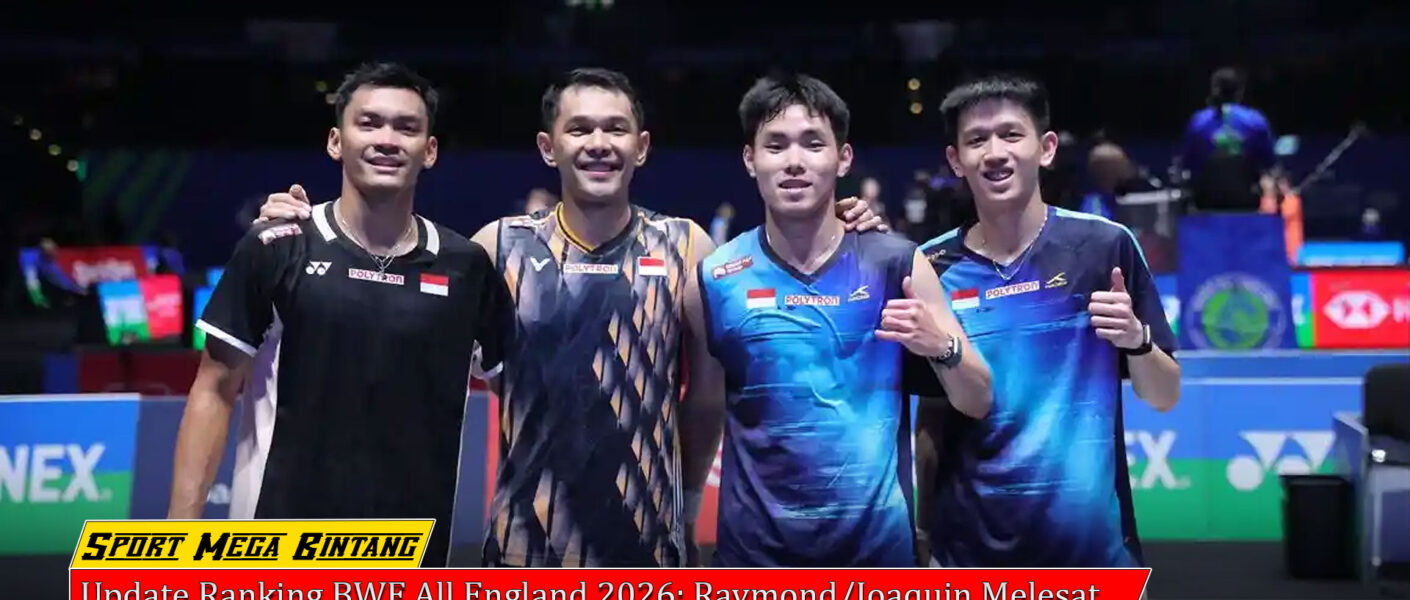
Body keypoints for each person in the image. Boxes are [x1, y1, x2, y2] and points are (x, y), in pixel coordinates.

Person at [253, 67, 889, 567]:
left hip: (650, 550)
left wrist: (847, 223)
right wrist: (307, 224)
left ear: (642, 147)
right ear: (548, 146)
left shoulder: (686, 245)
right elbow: (388, 283)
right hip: (522, 550)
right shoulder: (498, 246)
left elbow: (705, 398)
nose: (598, 144)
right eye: (579, 129)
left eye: (615, 130)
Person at [168, 63, 514, 570]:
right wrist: (178, 542)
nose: (387, 139)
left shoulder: (466, 268)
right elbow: (214, 388)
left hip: (410, 561)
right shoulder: (276, 247)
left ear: (430, 151)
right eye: (369, 123)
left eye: (406, 127)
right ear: (336, 141)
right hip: (278, 557)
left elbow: (524, 401)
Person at [697, 73, 992, 567]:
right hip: (754, 561)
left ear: (844, 158)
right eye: (776, 145)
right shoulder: (716, 276)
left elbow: (977, 398)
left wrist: (940, 346)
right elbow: (703, 410)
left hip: (877, 560)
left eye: (814, 143)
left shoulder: (897, 264)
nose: (794, 161)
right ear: (750, 159)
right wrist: (688, 508)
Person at [915, 74, 1181, 568]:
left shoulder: (1105, 246)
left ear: (1046, 148)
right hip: (967, 557)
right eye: (977, 140)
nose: (995, 153)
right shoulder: (929, 267)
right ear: (955, 160)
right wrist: (923, 533)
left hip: (1095, 556)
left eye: (1011, 134)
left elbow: (1165, 395)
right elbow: (930, 422)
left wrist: (1137, 340)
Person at [1179, 67, 1275, 212]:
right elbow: (1269, 163)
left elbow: (1187, 164)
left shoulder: (1198, 122)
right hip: (1246, 203)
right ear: (1240, 91)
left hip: (1205, 203)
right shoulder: (1256, 121)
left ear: (1214, 89)